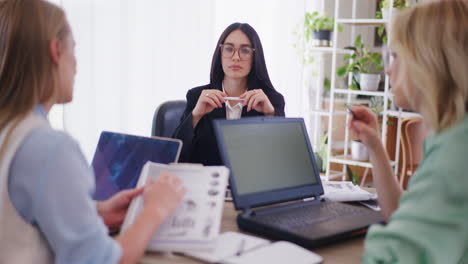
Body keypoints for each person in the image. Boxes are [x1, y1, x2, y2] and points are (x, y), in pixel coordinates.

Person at [0, 1, 186, 263]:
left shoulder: (9, 131)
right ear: (56, 50)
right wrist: (155, 210)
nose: (76, 65)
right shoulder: (48, 146)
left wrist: (95, 212)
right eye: (73, 49)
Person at [350, 1, 468, 263]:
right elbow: (407, 215)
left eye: (395, 55)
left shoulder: (455, 157)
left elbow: (391, 256)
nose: (388, 69)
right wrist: (374, 145)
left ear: (427, 62)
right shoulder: (454, 137)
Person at [173, 22, 285, 165]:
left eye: (245, 50)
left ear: (255, 56)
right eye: (229, 49)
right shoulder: (197, 97)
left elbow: (280, 160)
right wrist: (195, 116)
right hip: (208, 184)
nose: (236, 57)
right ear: (220, 53)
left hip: (251, 186)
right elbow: (175, 156)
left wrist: (270, 115)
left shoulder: (272, 100)